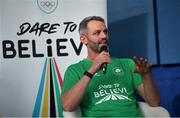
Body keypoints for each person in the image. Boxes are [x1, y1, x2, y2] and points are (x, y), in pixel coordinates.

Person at [61, 16, 160, 117]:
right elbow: (67, 106)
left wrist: (146, 76)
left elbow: (154, 103)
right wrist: (91, 70)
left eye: (105, 31)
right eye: (97, 33)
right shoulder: (75, 70)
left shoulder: (128, 64)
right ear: (84, 39)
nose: (104, 36)